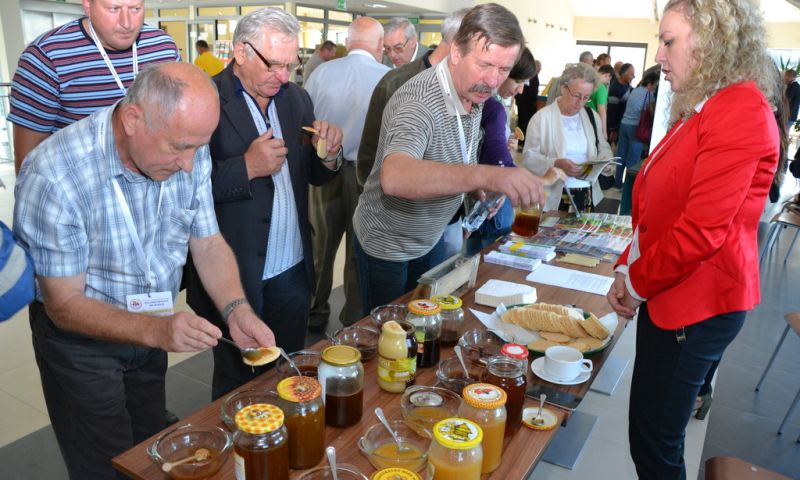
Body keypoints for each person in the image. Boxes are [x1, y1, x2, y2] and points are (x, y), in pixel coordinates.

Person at [13, 62, 274, 479]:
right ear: (132, 119)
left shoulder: (188, 147)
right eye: (178, 148)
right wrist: (160, 332)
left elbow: (206, 242)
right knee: (104, 464)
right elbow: (63, 305)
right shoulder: (55, 175)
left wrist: (237, 309)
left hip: (151, 324)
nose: (189, 164)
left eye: (197, 148)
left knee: (150, 448)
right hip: (81, 344)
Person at [605, 1, 783, 478]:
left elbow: (701, 231)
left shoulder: (740, 109)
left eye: (669, 42)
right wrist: (628, 266)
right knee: (650, 433)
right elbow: (658, 206)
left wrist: (637, 283)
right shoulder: (707, 105)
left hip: (697, 303)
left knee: (655, 441)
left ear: (713, 42)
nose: (660, 56)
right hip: (676, 292)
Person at [184, 8, 343, 400]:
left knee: (285, 371)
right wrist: (246, 168)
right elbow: (182, 188)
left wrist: (329, 155)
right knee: (239, 381)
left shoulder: (296, 100)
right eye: (274, 64)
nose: (283, 76)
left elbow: (314, 174)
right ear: (240, 51)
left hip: (291, 266)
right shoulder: (205, 101)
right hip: (234, 273)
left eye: (290, 65)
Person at [352, 3, 547, 314]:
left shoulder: (474, 90)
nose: (495, 80)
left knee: (421, 324)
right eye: (485, 65)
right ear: (456, 52)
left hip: (430, 237)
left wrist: (472, 190)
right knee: (388, 335)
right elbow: (395, 176)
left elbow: (449, 155)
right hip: (389, 244)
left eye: (504, 69)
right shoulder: (418, 99)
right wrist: (486, 175)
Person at [8, 0, 179, 175]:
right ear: (88, 5)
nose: (127, 23)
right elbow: (28, 161)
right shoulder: (45, 56)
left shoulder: (164, 47)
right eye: (114, 9)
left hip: (153, 185)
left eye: (136, 9)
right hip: (79, 190)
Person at [357, 8, 470, 258]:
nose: (393, 55)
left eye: (398, 47)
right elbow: (370, 153)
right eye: (388, 49)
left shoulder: (469, 90)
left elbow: (465, 151)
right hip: (394, 225)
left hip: (442, 219)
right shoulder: (396, 82)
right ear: (457, 47)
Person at [304, 17, 390, 331]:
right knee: (358, 252)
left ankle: (313, 312)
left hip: (323, 170)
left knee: (319, 250)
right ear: (379, 46)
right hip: (368, 178)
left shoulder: (321, 73)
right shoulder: (390, 79)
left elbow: (306, 123)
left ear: (348, 41)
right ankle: (353, 321)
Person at [466, 48, 565, 255]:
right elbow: (499, 160)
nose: (521, 90)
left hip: (485, 195)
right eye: (519, 82)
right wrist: (543, 180)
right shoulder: (492, 107)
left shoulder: (488, 104)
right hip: (487, 201)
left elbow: (488, 147)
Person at [522, 63, 614, 213]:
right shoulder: (542, 118)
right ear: (564, 88)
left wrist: (605, 161)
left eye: (586, 98)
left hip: (586, 192)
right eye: (577, 95)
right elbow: (529, 158)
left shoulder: (591, 115)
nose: (580, 102)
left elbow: (602, 145)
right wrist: (556, 163)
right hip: (555, 194)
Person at [615, 69, 659, 190]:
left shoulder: (634, 90)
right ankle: (628, 189)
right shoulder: (648, 94)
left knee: (621, 155)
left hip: (624, 124)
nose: (654, 88)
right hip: (636, 127)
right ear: (650, 84)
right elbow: (651, 112)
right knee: (633, 159)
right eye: (654, 86)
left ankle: (617, 184)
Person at [514, 59, 541, 148]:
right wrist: (534, 101)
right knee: (526, 122)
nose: (539, 70)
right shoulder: (533, 75)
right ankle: (524, 141)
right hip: (528, 103)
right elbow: (534, 91)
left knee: (521, 121)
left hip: (521, 102)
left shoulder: (527, 74)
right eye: (539, 68)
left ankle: (521, 141)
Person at [607, 62, 635, 143]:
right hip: (614, 127)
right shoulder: (615, 89)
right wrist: (613, 129)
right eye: (631, 74)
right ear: (623, 74)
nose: (633, 77)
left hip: (621, 124)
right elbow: (612, 111)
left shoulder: (626, 85)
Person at [587, 63, 614, 139]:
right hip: (593, 121)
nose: (608, 82)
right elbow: (601, 110)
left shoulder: (588, 82)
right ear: (607, 75)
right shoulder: (601, 88)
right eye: (609, 79)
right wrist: (604, 131)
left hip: (582, 117)